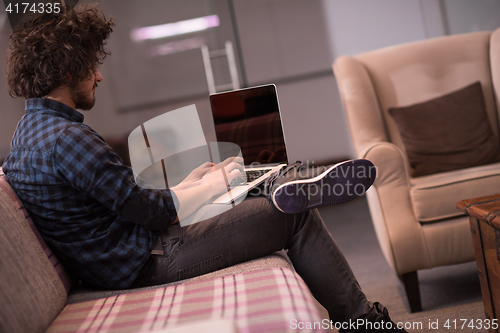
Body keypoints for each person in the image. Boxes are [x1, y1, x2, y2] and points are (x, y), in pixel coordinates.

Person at [1, 4, 407, 333]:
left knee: (232, 182)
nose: (99, 76)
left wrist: (191, 184)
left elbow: (123, 201)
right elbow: (150, 211)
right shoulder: (67, 140)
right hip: (147, 258)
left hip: (131, 249)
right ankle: (366, 325)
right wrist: (209, 185)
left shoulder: (29, 134)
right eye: (92, 68)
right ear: (69, 72)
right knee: (292, 217)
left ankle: (278, 180)